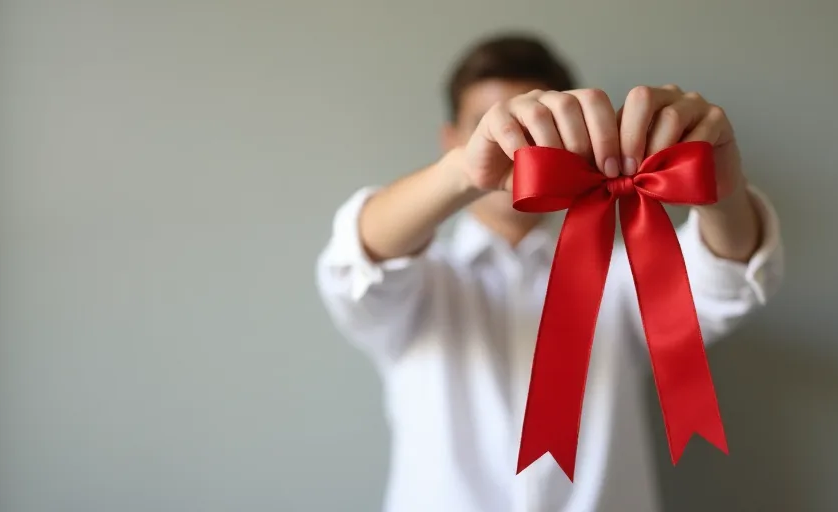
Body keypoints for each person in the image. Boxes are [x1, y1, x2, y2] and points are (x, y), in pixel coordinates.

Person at [316, 33, 784, 512]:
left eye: (534, 127)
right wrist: (465, 173)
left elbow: (727, 278)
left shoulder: (627, 276)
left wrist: (722, 187)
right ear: (451, 140)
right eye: (486, 124)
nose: (512, 144)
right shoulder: (420, 287)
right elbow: (358, 259)